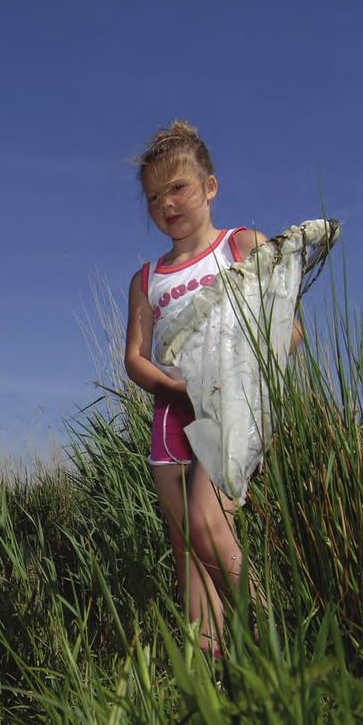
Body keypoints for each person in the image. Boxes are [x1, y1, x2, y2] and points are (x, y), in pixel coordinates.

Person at [123, 119, 275, 658]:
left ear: (210, 186)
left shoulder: (243, 246)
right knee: (186, 543)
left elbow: (286, 328)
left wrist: (235, 378)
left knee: (211, 522)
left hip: (229, 408)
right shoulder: (147, 278)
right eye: (154, 197)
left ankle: (272, 651)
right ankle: (214, 674)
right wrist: (169, 384)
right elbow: (135, 358)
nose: (167, 203)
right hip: (171, 414)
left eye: (179, 187)